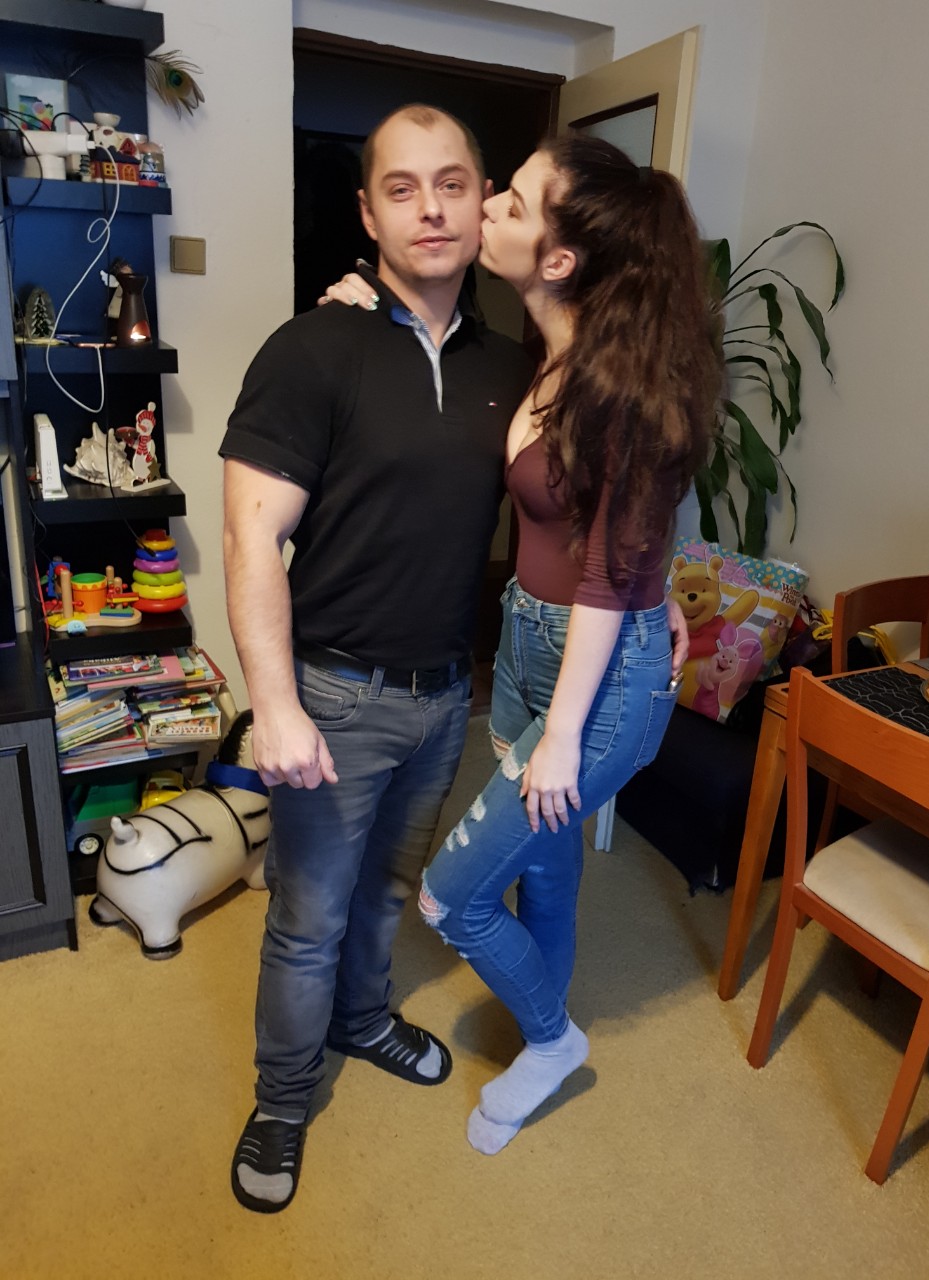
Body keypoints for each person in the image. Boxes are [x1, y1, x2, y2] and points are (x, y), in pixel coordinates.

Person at [219, 104, 534, 1213]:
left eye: (453, 184)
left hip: (446, 697)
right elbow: (250, 536)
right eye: (402, 188)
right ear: (367, 213)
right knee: (307, 918)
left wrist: (653, 600)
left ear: (484, 202)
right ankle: (282, 1097)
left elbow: (575, 501)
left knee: (389, 891)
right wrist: (273, 705)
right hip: (332, 697)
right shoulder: (314, 347)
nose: (431, 208)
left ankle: (361, 1021)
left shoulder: (515, 367)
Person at [411, 137, 718, 1154]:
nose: (487, 205)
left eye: (513, 199)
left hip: (602, 680)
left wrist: (562, 735)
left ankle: (552, 1039)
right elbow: (620, 520)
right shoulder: (551, 354)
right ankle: (544, 1027)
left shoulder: (619, 387)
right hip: (530, 646)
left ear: (558, 259)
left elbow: (603, 573)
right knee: (544, 868)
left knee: (450, 897)